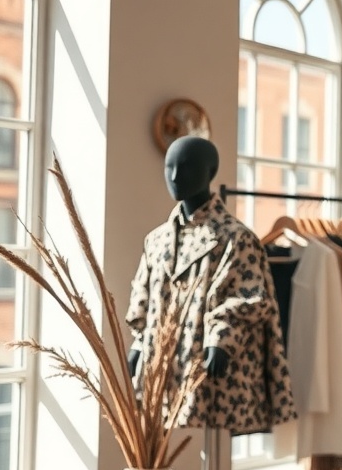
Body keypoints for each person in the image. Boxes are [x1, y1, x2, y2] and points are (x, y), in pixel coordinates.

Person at [126, 136, 296, 435]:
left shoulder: (236, 237)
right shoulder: (156, 240)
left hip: (214, 367)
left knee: (213, 436)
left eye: (187, 167)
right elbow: (143, 298)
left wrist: (222, 339)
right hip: (164, 365)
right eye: (169, 167)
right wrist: (139, 343)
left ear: (210, 171)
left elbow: (249, 297)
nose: (175, 176)